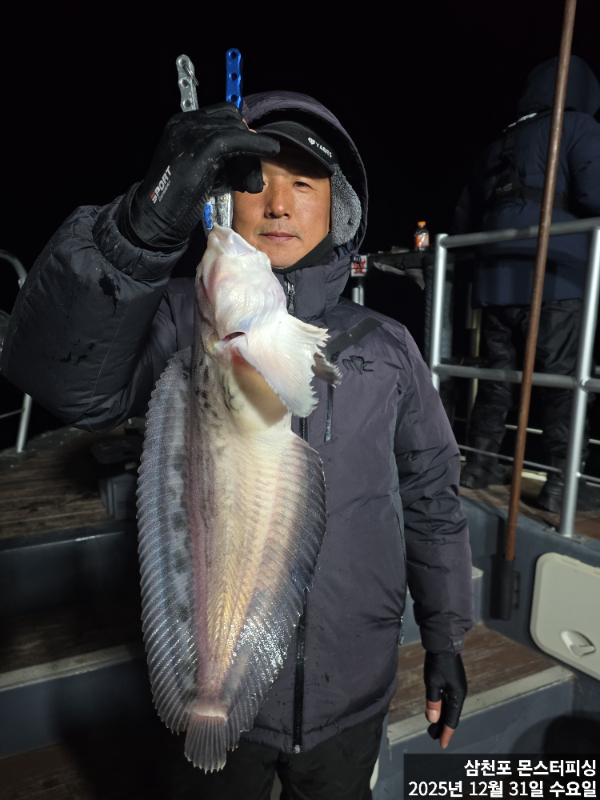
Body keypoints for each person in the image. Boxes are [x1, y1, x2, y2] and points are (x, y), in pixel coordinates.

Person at [1, 90, 473, 799]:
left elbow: (432, 496)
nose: (279, 204)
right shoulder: (180, 317)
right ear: (220, 198)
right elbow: (61, 378)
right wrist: (136, 234)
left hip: (352, 688)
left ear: (338, 210)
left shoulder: (387, 346)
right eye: (256, 181)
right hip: (221, 680)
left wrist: (446, 639)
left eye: (304, 184)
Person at [454, 56, 600, 512]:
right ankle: (561, 484)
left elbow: (463, 217)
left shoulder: (497, 145)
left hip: (496, 282)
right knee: (563, 381)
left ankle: (478, 465)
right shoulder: (576, 127)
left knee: (498, 377)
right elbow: (595, 193)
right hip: (556, 275)